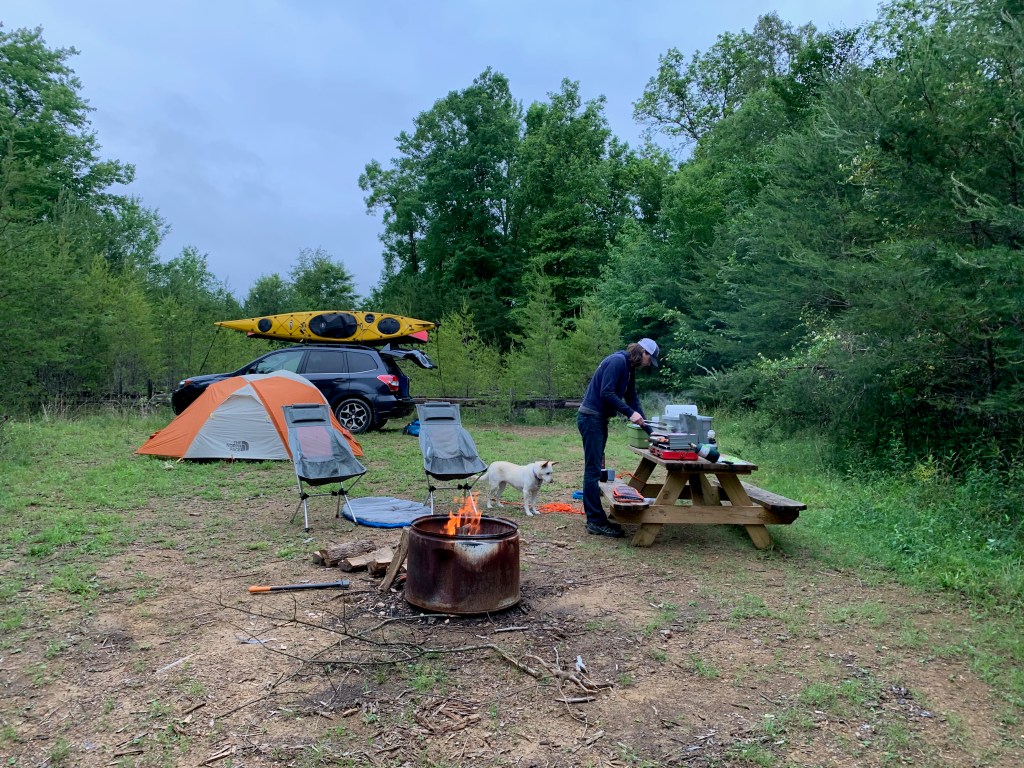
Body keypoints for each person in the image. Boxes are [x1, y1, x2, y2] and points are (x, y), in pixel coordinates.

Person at [576, 338, 659, 537]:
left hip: (598, 419)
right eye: (650, 359)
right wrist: (630, 414)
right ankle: (595, 521)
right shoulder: (618, 361)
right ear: (644, 353)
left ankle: (595, 517)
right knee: (593, 470)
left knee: (595, 469)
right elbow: (606, 393)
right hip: (591, 418)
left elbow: (632, 399)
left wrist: (651, 431)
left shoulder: (629, 369)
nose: (649, 364)